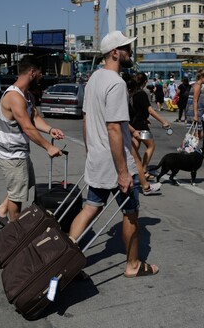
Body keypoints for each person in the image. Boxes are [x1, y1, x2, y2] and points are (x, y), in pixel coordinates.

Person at [68, 30, 159, 278]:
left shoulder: (94, 79)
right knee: (130, 215)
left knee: (90, 208)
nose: (130, 53)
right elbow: (114, 129)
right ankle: (133, 265)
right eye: (127, 49)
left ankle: (64, 255)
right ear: (115, 53)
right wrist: (123, 172)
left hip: (98, 158)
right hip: (117, 163)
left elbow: (86, 120)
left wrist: (90, 151)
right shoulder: (117, 84)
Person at [0, 56, 65, 224]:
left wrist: (50, 130)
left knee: (26, 183)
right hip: (11, 155)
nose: (42, 76)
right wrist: (48, 147)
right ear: (32, 72)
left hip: (20, 153)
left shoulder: (27, 95)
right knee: (17, 197)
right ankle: (14, 232)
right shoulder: (14, 97)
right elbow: (27, 127)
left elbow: (35, 118)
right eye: (40, 73)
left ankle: (1, 210)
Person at [130, 72, 171, 180]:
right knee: (151, 145)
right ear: (144, 82)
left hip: (132, 124)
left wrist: (145, 117)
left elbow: (136, 109)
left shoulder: (132, 93)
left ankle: (135, 170)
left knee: (134, 149)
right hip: (141, 126)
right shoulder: (141, 94)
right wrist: (163, 121)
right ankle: (143, 169)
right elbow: (150, 109)